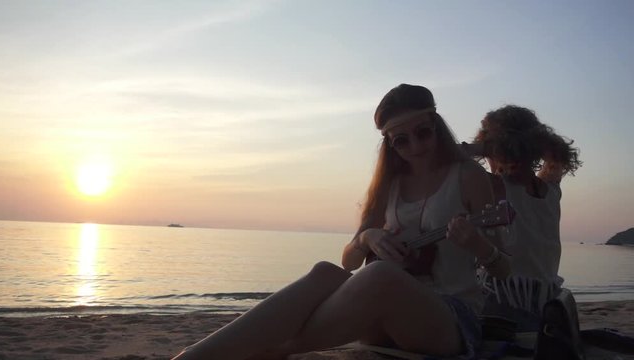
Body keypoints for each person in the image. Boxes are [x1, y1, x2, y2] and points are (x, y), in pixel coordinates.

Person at [172, 84, 510, 360]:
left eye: (422, 133)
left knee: (379, 274)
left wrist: (478, 244)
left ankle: (266, 350)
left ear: (436, 126)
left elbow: (506, 269)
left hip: (450, 320)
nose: (415, 146)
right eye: (401, 141)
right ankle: (192, 356)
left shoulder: (468, 177)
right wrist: (369, 238)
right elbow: (348, 260)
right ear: (390, 145)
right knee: (325, 271)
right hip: (382, 314)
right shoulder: (390, 186)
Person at [463, 105, 581, 331]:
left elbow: (448, 157)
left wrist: (483, 147)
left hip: (503, 302)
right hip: (542, 303)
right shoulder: (550, 189)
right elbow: (557, 159)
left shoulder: (497, 186)